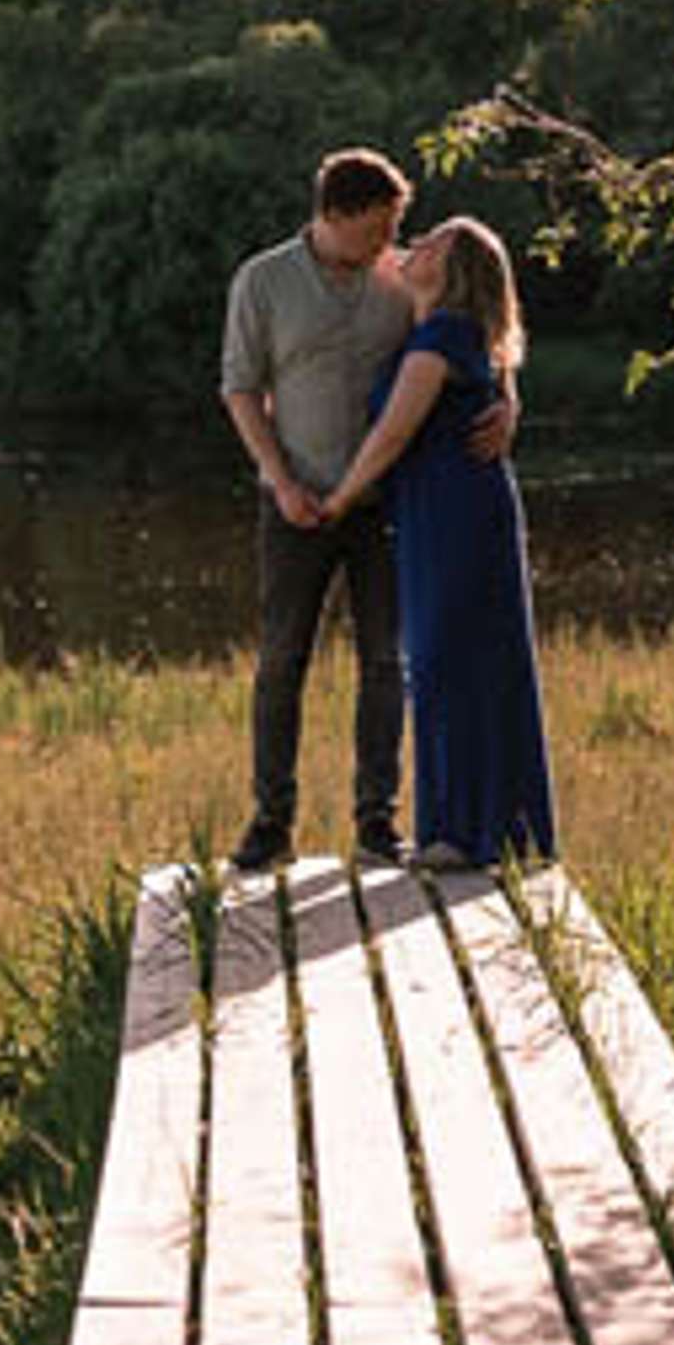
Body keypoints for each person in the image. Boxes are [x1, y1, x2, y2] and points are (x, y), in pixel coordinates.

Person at [218, 146, 482, 873]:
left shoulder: (402, 279)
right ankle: (270, 823)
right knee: (282, 662)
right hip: (294, 503)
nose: (389, 240)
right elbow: (240, 388)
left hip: (387, 505)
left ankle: (377, 824)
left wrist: (509, 405)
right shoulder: (262, 280)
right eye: (378, 226)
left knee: (385, 662)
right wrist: (281, 482)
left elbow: (479, 335)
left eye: (395, 225)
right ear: (334, 214)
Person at [320, 211, 553, 874]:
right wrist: (511, 401)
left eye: (431, 243)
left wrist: (338, 500)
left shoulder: (441, 339)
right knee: (467, 658)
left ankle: (460, 831)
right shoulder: (446, 330)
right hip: (443, 509)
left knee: (446, 661)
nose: (413, 245)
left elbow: (392, 435)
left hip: (454, 512)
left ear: (452, 273)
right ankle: (491, 827)